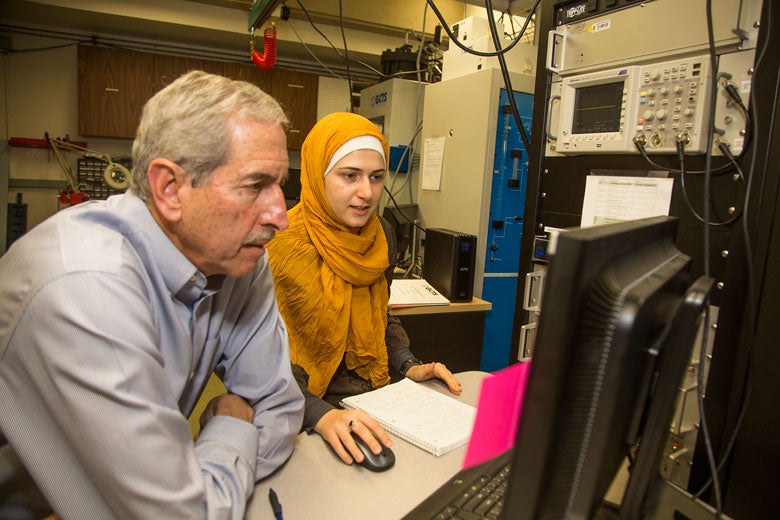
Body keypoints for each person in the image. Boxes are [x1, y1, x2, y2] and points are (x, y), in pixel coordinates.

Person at [0, 70, 304, 520]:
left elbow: (278, 407)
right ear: (169, 189)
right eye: (255, 185)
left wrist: (200, 482)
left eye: (280, 184)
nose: (280, 215)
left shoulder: (239, 261)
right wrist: (229, 431)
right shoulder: (85, 288)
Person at [267, 112, 462, 466]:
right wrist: (318, 414)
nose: (366, 193)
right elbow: (258, 352)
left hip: (372, 400)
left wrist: (407, 365)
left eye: (376, 177)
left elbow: (380, 314)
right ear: (317, 174)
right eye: (349, 176)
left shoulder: (381, 234)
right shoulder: (277, 242)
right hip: (297, 408)